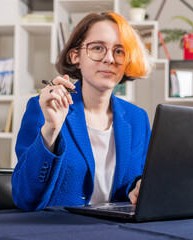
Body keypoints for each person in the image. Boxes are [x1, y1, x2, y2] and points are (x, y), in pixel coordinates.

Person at [11, 12, 154, 211]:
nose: (109, 59)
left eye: (119, 51)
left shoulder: (137, 118)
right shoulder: (44, 108)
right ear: (75, 56)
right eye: (97, 48)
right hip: (60, 230)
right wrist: (51, 130)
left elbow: (138, 177)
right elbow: (26, 198)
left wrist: (139, 186)